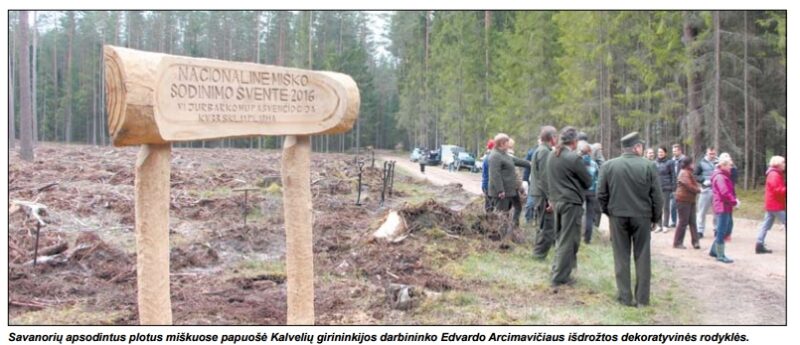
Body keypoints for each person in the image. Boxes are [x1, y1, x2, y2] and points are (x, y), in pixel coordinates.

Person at [598, 132, 662, 307]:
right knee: (642, 256)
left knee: (621, 256)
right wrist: (656, 217)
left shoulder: (608, 166)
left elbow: (601, 194)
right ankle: (642, 299)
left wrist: (609, 212)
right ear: (637, 147)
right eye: (641, 146)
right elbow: (657, 196)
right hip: (642, 217)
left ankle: (625, 298)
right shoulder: (648, 166)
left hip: (617, 216)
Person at [547, 127, 592, 287]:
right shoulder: (573, 158)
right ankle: (559, 277)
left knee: (561, 238)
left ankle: (558, 270)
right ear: (574, 141)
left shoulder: (552, 155)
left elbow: (549, 179)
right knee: (568, 240)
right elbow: (588, 180)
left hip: (557, 201)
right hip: (571, 203)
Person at [488, 133, 530, 247]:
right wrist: (500, 190)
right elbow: (495, 175)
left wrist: (532, 164)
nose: (509, 144)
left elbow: (519, 161)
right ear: (502, 144)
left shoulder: (505, 154)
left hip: (511, 190)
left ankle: (513, 229)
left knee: (518, 207)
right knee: (502, 214)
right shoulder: (495, 156)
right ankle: (499, 239)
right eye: (507, 142)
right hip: (502, 192)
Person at [532, 126, 558, 260]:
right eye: (556, 136)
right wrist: (550, 199)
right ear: (552, 138)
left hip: (541, 194)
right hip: (543, 195)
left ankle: (538, 253)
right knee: (548, 227)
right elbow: (544, 177)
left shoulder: (542, 150)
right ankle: (539, 255)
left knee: (543, 225)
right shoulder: (544, 152)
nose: (557, 139)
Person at [709, 155, 737, 263]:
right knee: (721, 230)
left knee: (725, 229)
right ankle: (720, 255)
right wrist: (734, 201)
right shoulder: (720, 177)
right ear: (724, 165)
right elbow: (724, 192)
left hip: (725, 205)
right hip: (722, 206)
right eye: (729, 165)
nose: (731, 167)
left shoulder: (724, 176)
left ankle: (713, 250)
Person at [756, 156, 786, 254]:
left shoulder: (775, 173)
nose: (784, 164)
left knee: (766, 225)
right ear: (777, 164)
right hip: (775, 205)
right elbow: (777, 190)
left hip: (772, 204)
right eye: (783, 162)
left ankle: (759, 244)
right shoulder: (774, 174)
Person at [673, 157, 701, 249]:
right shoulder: (683, 172)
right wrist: (699, 190)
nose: (693, 165)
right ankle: (677, 243)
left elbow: (693, 184)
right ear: (688, 164)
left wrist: (698, 188)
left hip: (690, 200)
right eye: (692, 163)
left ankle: (695, 242)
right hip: (683, 200)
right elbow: (689, 186)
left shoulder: (689, 172)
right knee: (683, 222)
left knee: (692, 222)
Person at [578, 141, 599, 244]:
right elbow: (597, 179)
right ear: (590, 152)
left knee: (578, 213)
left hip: (580, 192)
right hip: (591, 192)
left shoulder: (577, 163)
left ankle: (576, 235)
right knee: (590, 216)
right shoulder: (594, 164)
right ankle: (587, 239)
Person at [694, 147, 718, 238]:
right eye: (710, 154)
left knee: (716, 211)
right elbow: (695, 175)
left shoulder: (718, 162)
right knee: (702, 211)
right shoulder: (701, 163)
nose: (712, 155)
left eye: (713, 154)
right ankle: (700, 230)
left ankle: (716, 229)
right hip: (705, 190)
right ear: (706, 153)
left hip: (716, 190)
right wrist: (703, 180)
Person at [655, 147, 675, 233]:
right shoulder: (654, 163)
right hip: (656, 188)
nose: (660, 153)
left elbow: (673, 175)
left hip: (666, 187)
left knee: (666, 207)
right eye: (659, 152)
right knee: (658, 207)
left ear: (665, 153)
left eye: (662, 152)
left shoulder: (670, 162)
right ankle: (659, 225)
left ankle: (665, 225)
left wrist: (674, 187)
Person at [523, 141, 540, 223]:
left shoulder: (550, 151)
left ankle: (538, 222)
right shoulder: (532, 152)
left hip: (545, 183)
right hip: (533, 182)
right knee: (530, 204)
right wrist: (525, 180)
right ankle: (528, 221)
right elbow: (526, 167)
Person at [670, 144, 686, 227]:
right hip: (674, 185)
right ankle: (673, 221)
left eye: (675, 151)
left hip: (683, 186)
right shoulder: (671, 161)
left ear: (680, 151)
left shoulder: (685, 160)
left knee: (683, 205)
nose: (674, 152)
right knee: (673, 204)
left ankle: (683, 222)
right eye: (673, 151)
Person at [481, 140, 495, 212]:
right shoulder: (490, 158)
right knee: (490, 206)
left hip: (485, 184)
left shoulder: (487, 157)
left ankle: (488, 220)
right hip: (488, 185)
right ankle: (489, 220)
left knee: (488, 205)